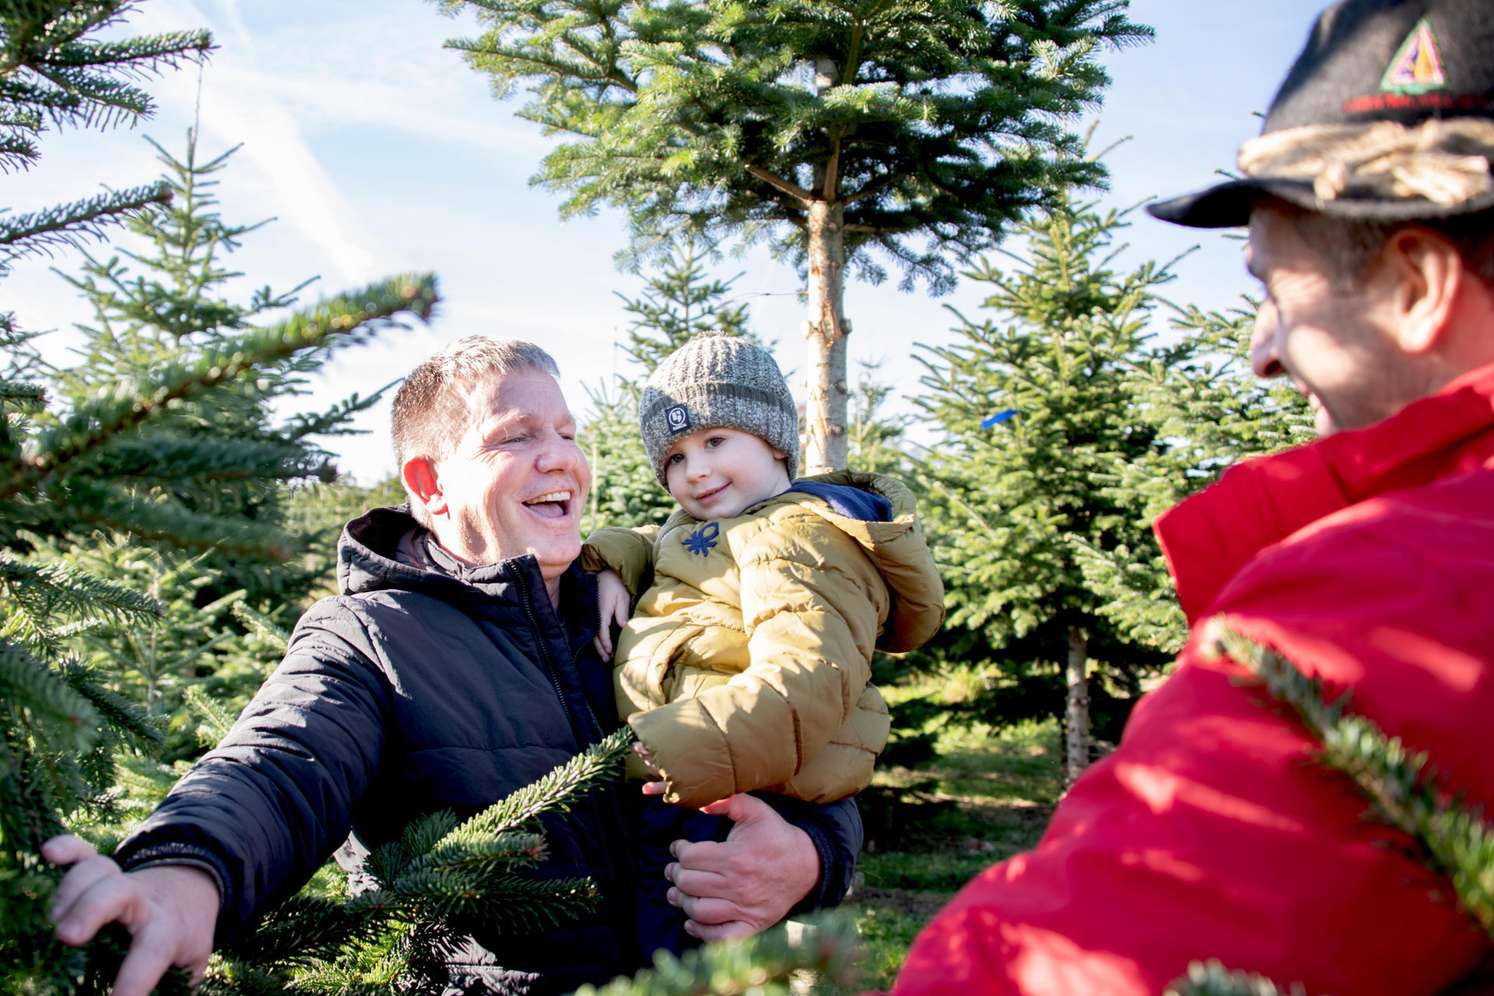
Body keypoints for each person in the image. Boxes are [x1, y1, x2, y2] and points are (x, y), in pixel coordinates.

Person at [893, 0, 1494, 992]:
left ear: (1418, 284)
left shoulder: (1391, 604)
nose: (1262, 351)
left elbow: (1070, 964)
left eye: (1274, 290)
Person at [43, 337, 864, 996]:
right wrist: (185, 870)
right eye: (517, 437)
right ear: (430, 487)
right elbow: (279, 763)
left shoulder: (641, 602)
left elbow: (816, 743)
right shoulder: (367, 638)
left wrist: (812, 857)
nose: (563, 461)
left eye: (570, 435)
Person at [580, 334, 944, 958]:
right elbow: (667, 541)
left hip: (734, 795)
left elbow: (807, 677)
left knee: (691, 963)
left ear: (774, 438)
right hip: (699, 782)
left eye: (715, 441)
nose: (694, 470)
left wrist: (665, 749)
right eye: (674, 458)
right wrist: (614, 557)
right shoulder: (718, 524)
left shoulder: (796, 535)